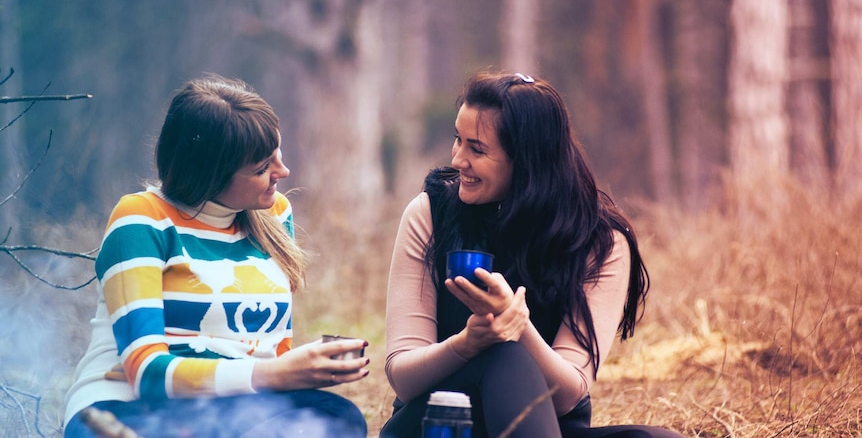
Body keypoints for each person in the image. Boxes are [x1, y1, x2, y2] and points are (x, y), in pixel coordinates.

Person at [380, 71, 685, 437]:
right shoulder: (430, 214)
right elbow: (403, 377)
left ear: (527, 160)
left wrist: (519, 325)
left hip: (544, 427)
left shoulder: (600, 241)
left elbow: (570, 393)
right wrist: (468, 342)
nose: (459, 159)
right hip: (441, 424)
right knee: (502, 355)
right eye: (457, 140)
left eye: (477, 149)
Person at [64, 75, 370, 438]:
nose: (282, 173)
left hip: (235, 407)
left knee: (338, 416)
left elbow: (275, 346)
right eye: (261, 168)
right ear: (210, 175)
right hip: (130, 407)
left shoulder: (274, 215)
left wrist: (301, 370)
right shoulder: (142, 218)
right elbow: (146, 374)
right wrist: (271, 375)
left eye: (278, 154)